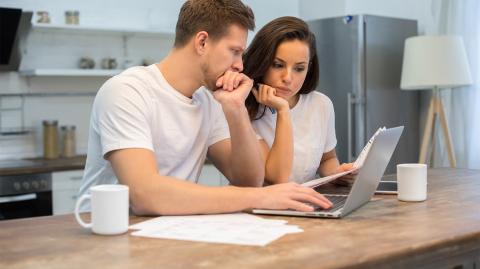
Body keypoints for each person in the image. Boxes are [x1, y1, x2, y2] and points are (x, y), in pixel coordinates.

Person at [79, 1, 333, 215]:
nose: (239, 66)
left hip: (169, 230)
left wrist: (235, 110)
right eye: (234, 52)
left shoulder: (210, 100)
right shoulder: (127, 91)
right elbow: (145, 194)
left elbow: (249, 181)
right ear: (202, 42)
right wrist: (261, 198)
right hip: (110, 234)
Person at [243, 16, 354, 185]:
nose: (288, 78)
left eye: (299, 68)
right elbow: (276, 178)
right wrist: (283, 110)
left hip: (306, 204)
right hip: (262, 208)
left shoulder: (321, 104)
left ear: (309, 68)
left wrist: (337, 174)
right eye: (278, 65)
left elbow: (327, 159)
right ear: (262, 61)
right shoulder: (244, 108)